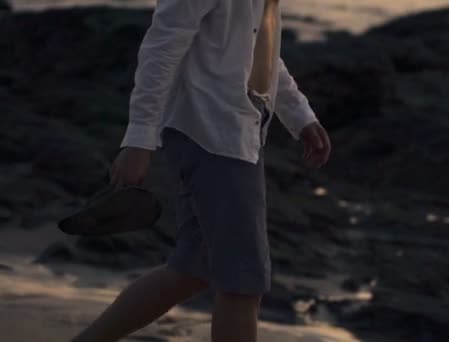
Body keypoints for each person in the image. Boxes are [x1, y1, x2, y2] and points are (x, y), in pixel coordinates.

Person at [70, 0, 331, 341]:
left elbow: (257, 46)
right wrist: (139, 139)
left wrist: (299, 115)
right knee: (243, 282)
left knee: (192, 269)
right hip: (212, 131)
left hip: (238, 128)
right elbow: (163, 44)